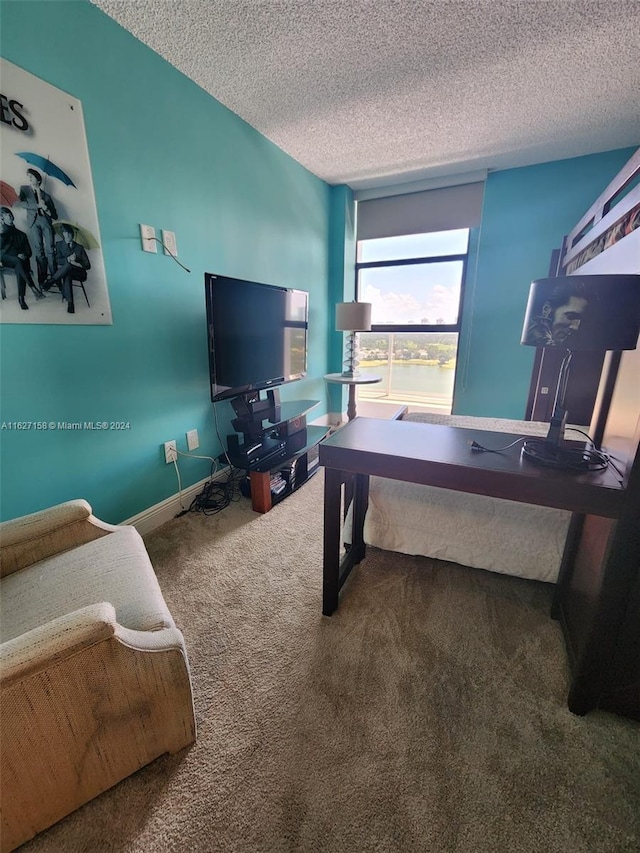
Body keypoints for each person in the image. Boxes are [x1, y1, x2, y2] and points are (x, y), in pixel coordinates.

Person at [18, 168, 58, 286]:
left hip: (46, 222)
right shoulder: (24, 189)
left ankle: (55, 278)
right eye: (28, 176)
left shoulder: (47, 196)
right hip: (33, 223)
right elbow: (21, 203)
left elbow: (55, 215)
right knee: (39, 251)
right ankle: (42, 279)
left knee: (50, 250)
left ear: (39, 180)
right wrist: (37, 205)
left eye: (32, 176)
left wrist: (46, 209)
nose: (29, 178)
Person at [0, 206, 45, 310]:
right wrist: (1, 233)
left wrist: (24, 255)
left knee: (19, 263)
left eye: (10, 214)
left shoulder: (22, 234)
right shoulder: (2, 233)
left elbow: (29, 252)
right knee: (18, 261)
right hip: (5, 259)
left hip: (18, 261)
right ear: (2, 218)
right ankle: (33, 287)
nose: (10, 216)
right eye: (6, 215)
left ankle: (21, 299)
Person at [42, 224, 91, 314]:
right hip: (67, 271)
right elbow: (57, 260)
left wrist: (76, 262)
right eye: (65, 233)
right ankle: (70, 304)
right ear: (63, 234)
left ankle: (51, 281)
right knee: (67, 275)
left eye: (69, 233)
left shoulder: (79, 247)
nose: (67, 235)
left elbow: (88, 266)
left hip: (79, 273)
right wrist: (68, 259)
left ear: (72, 235)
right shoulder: (59, 245)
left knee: (68, 266)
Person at [525, 281, 588, 347]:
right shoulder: (536, 336)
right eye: (571, 316)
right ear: (546, 309)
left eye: (581, 320)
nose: (575, 327)